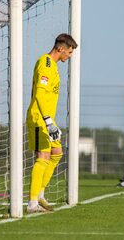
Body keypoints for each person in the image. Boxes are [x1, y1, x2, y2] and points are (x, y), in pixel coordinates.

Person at [26, 33, 78, 213]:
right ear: (60, 48)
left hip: (48, 119)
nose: (69, 56)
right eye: (69, 52)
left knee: (57, 153)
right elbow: (40, 94)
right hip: (39, 118)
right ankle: (32, 203)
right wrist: (48, 121)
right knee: (43, 157)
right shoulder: (46, 64)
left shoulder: (53, 66)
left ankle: (40, 194)